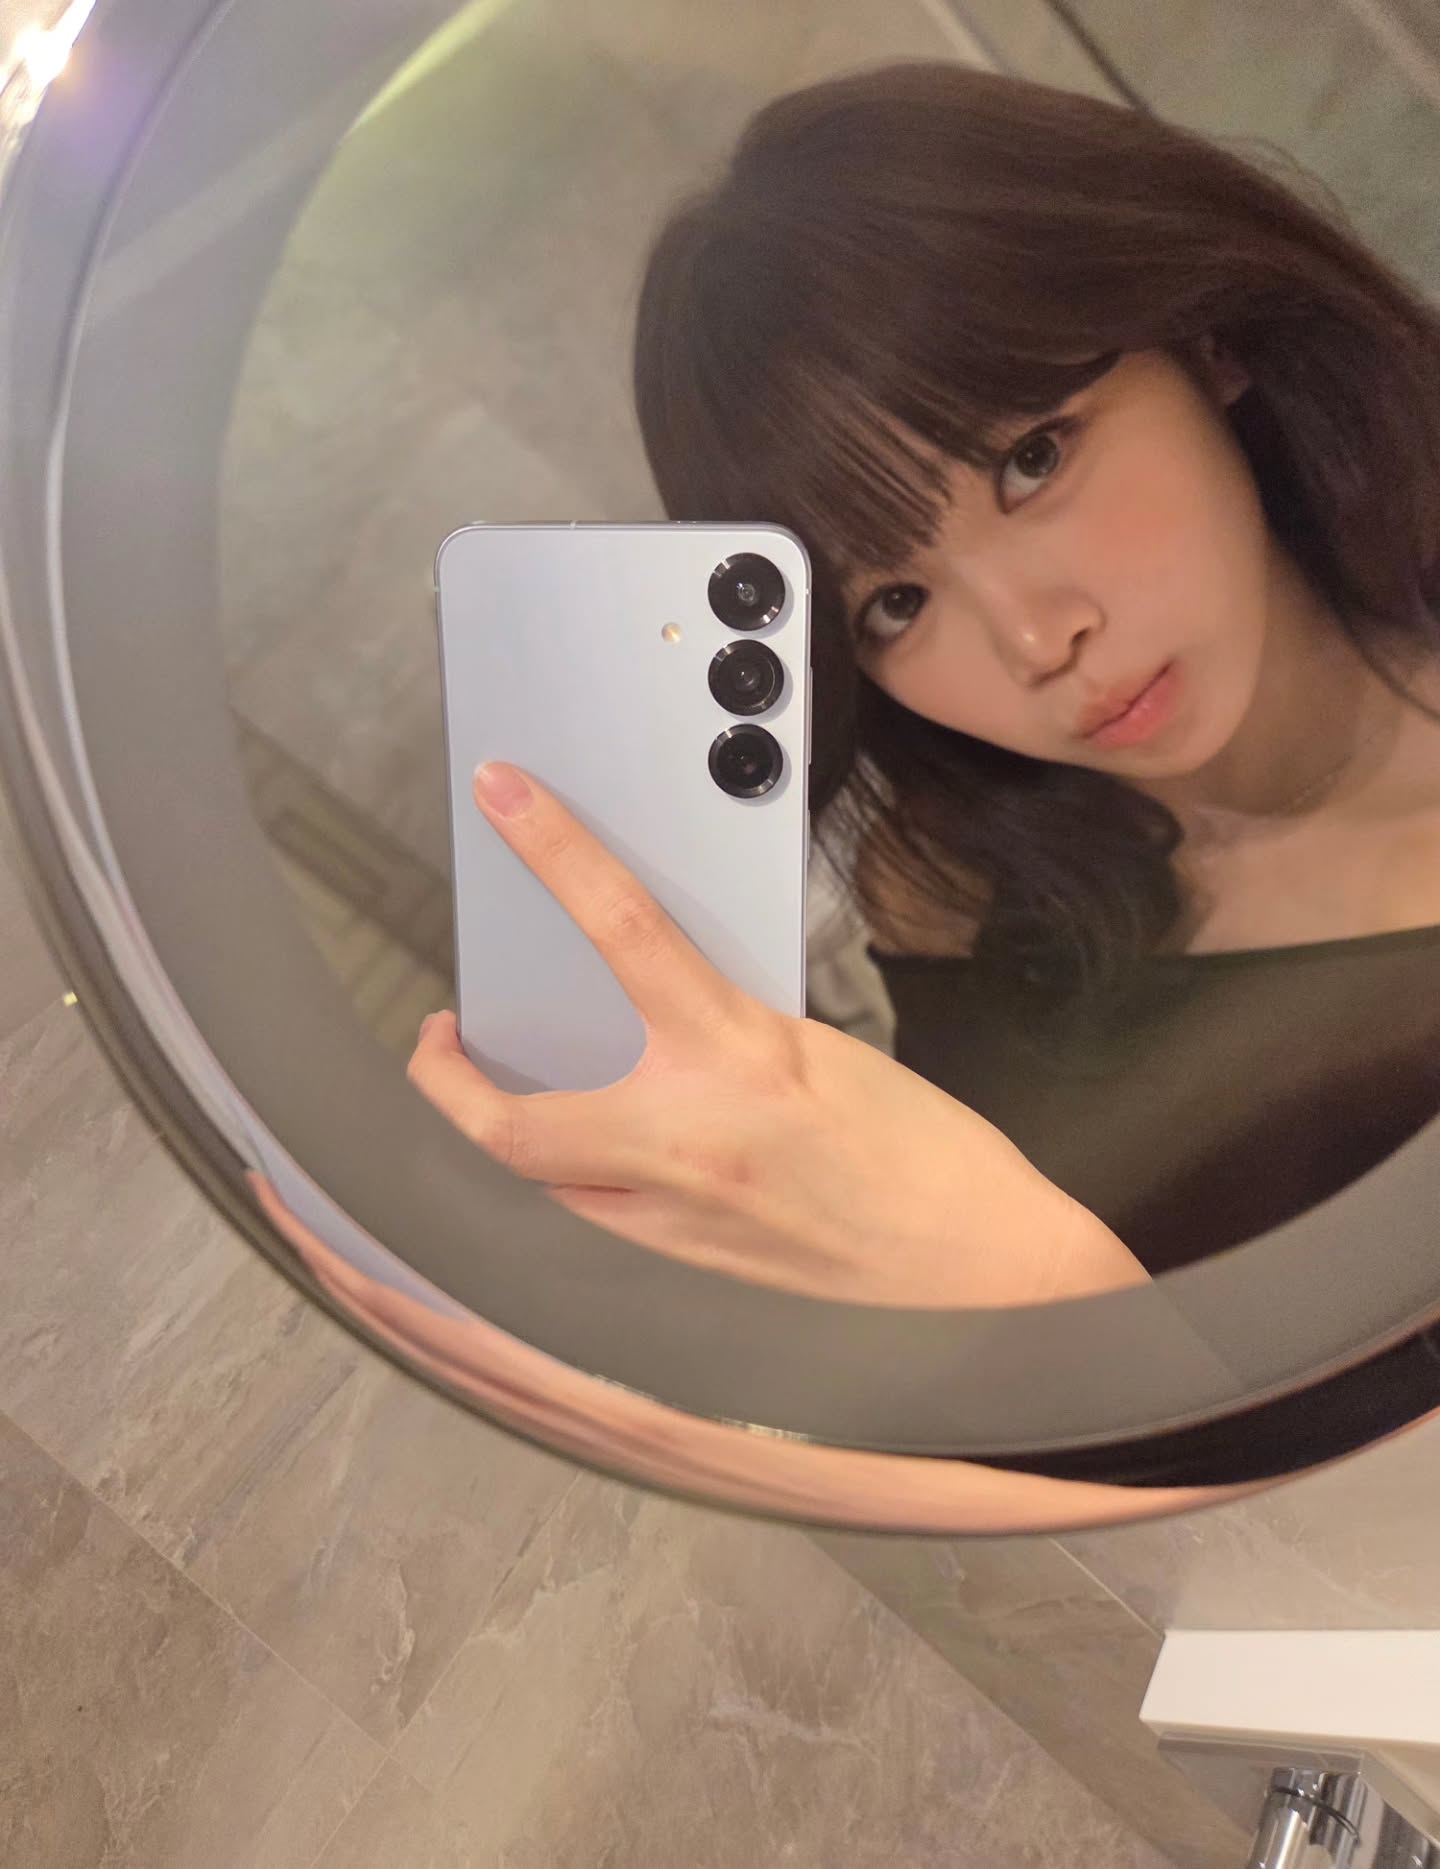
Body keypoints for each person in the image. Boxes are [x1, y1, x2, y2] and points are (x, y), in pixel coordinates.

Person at [628, 59, 1440, 1274]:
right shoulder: (959, 894)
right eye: (895, 604)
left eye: (1033, 461)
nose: (1034, 641)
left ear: (1203, 333)